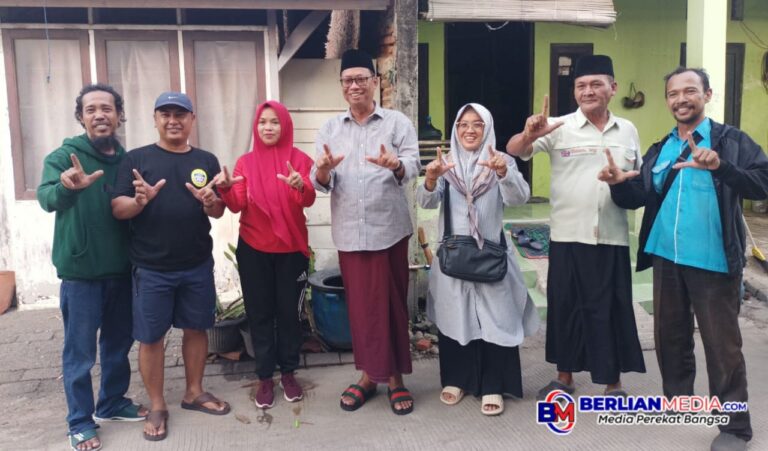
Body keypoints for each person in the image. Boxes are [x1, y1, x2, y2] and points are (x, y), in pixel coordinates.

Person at [602, 67, 767, 451]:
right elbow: (639, 193)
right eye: (674, 93)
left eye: (690, 91)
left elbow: (762, 181)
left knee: (722, 346)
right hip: (667, 258)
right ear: (667, 100)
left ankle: (734, 427)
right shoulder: (661, 149)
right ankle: (680, 399)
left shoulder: (730, 141)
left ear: (707, 95)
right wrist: (616, 185)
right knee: (669, 338)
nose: (681, 99)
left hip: (712, 261)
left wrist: (721, 167)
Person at [506, 55, 646, 400]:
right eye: (581, 85)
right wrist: (527, 135)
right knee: (566, 308)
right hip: (568, 235)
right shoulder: (556, 126)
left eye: (596, 84)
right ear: (574, 91)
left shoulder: (627, 130)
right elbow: (514, 151)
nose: (588, 91)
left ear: (613, 88)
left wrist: (623, 182)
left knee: (611, 310)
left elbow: (637, 176)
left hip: (612, 236)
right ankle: (564, 378)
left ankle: (612, 384)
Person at [111, 92, 230, 442]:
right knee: (151, 338)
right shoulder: (137, 159)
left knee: (197, 329)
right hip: (151, 268)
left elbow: (219, 209)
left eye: (181, 114)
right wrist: (138, 201)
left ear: (192, 119)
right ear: (155, 119)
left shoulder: (206, 159)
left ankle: (194, 392)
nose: (173, 120)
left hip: (196, 263)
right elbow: (118, 209)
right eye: (166, 114)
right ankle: (158, 403)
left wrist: (211, 202)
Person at [37, 84, 148, 451]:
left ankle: (112, 403)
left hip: (121, 269)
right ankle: (80, 421)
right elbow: (46, 198)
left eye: (107, 108)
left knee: (118, 345)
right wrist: (68, 187)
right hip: (81, 273)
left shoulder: (127, 159)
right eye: (91, 109)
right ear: (81, 117)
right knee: (80, 353)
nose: (99, 114)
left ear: (119, 115)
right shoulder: (64, 157)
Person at [310, 48, 421, 415]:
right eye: (347, 80)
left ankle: (395, 379)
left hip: (388, 230)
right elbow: (320, 180)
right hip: (350, 234)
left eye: (361, 79)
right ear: (341, 86)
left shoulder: (396, 122)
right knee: (360, 310)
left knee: (391, 306)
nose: (354, 85)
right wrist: (323, 171)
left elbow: (413, 163)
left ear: (374, 82)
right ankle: (367, 377)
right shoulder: (330, 128)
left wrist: (396, 165)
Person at [417, 103, 539, 416]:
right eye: (462, 125)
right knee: (454, 316)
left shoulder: (502, 160)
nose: (469, 130)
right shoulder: (447, 164)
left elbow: (519, 198)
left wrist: (502, 173)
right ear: (456, 130)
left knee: (495, 319)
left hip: (491, 256)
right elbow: (427, 202)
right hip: (455, 258)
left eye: (477, 125)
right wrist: (430, 179)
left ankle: (493, 385)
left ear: (488, 128)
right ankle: (457, 379)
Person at [217, 100, 316, 409]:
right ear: (256, 127)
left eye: (274, 122)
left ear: (285, 125)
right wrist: (224, 189)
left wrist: (301, 185)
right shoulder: (245, 163)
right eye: (263, 122)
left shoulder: (300, 159)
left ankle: (288, 373)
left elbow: (309, 198)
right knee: (260, 315)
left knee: (289, 315)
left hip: (291, 251)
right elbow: (236, 204)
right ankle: (263, 377)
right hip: (254, 249)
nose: (268, 127)